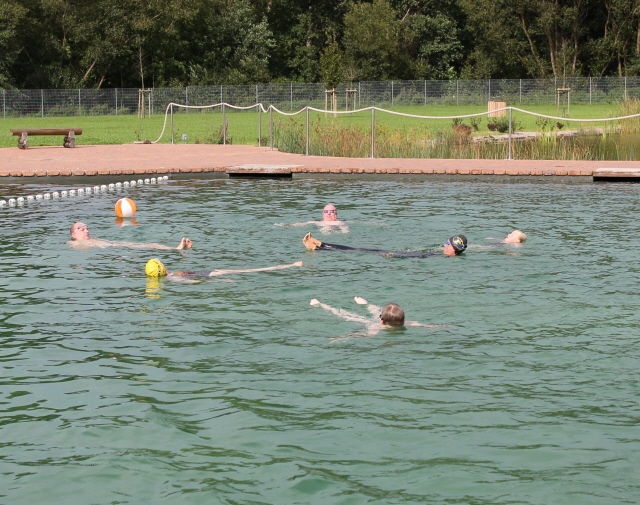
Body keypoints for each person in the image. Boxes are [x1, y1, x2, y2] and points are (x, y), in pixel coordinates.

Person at [309, 296, 441, 337]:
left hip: (375, 320)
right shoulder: (406, 324)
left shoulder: (379, 327)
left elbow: (360, 335)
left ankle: (321, 305)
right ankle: (364, 304)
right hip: (375, 322)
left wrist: (341, 338)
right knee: (349, 315)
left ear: (382, 321)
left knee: (345, 315)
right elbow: (424, 325)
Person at [303, 232, 467, 257]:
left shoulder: (439, 257)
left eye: (447, 243)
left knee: (356, 250)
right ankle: (321, 244)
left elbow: (417, 256)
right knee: (357, 249)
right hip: (396, 253)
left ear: (453, 250)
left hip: (395, 255)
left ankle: (318, 247)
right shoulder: (439, 255)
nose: (444, 244)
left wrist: (395, 256)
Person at [145, 258, 303, 281]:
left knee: (251, 271)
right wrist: (221, 280)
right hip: (209, 274)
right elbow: (193, 282)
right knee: (252, 270)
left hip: (208, 273)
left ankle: (291, 265)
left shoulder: (171, 276)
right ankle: (291, 265)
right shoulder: (173, 277)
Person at [68, 222, 192, 250]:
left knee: (150, 245)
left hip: (116, 245)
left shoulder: (93, 240)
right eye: (82, 230)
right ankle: (176, 249)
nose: (86, 231)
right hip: (115, 248)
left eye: (87, 229)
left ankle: (175, 249)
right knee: (146, 246)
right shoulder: (73, 244)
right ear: (73, 235)